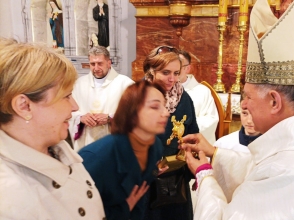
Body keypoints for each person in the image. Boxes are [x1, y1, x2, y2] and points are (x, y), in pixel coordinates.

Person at [180, 0, 294, 219]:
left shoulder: (286, 171)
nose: (243, 105)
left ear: (274, 101)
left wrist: (204, 174)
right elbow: (259, 169)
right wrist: (215, 153)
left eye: (248, 96)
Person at [0, 38, 105, 219]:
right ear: (24, 106)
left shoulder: (56, 147)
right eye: (66, 96)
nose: (74, 106)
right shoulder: (9, 199)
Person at [79, 80, 170, 220]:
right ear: (132, 112)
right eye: (155, 107)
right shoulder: (96, 159)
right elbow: (76, 211)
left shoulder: (155, 146)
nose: (166, 113)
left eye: (165, 106)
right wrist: (124, 208)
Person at [143, 46, 199, 220]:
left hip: (176, 179)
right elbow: (125, 139)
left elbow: (193, 133)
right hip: (146, 179)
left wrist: (190, 164)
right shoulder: (138, 96)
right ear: (152, 71)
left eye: (176, 73)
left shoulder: (184, 98)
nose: (172, 79)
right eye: (166, 72)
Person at [69, 46, 134, 151]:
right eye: (92, 64)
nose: (96, 68)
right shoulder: (79, 84)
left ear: (109, 63)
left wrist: (111, 118)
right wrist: (80, 118)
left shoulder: (125, 84)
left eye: (100, 63)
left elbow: (136, 112)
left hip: (113, 142)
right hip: (86, 142)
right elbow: (67, 110)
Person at [178, 50, 219, 144]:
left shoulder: (202, 92)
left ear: (187, 68)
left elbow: (211, 119)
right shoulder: (162, 90)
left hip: (193, 145)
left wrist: (184, 127)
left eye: (178, 66)